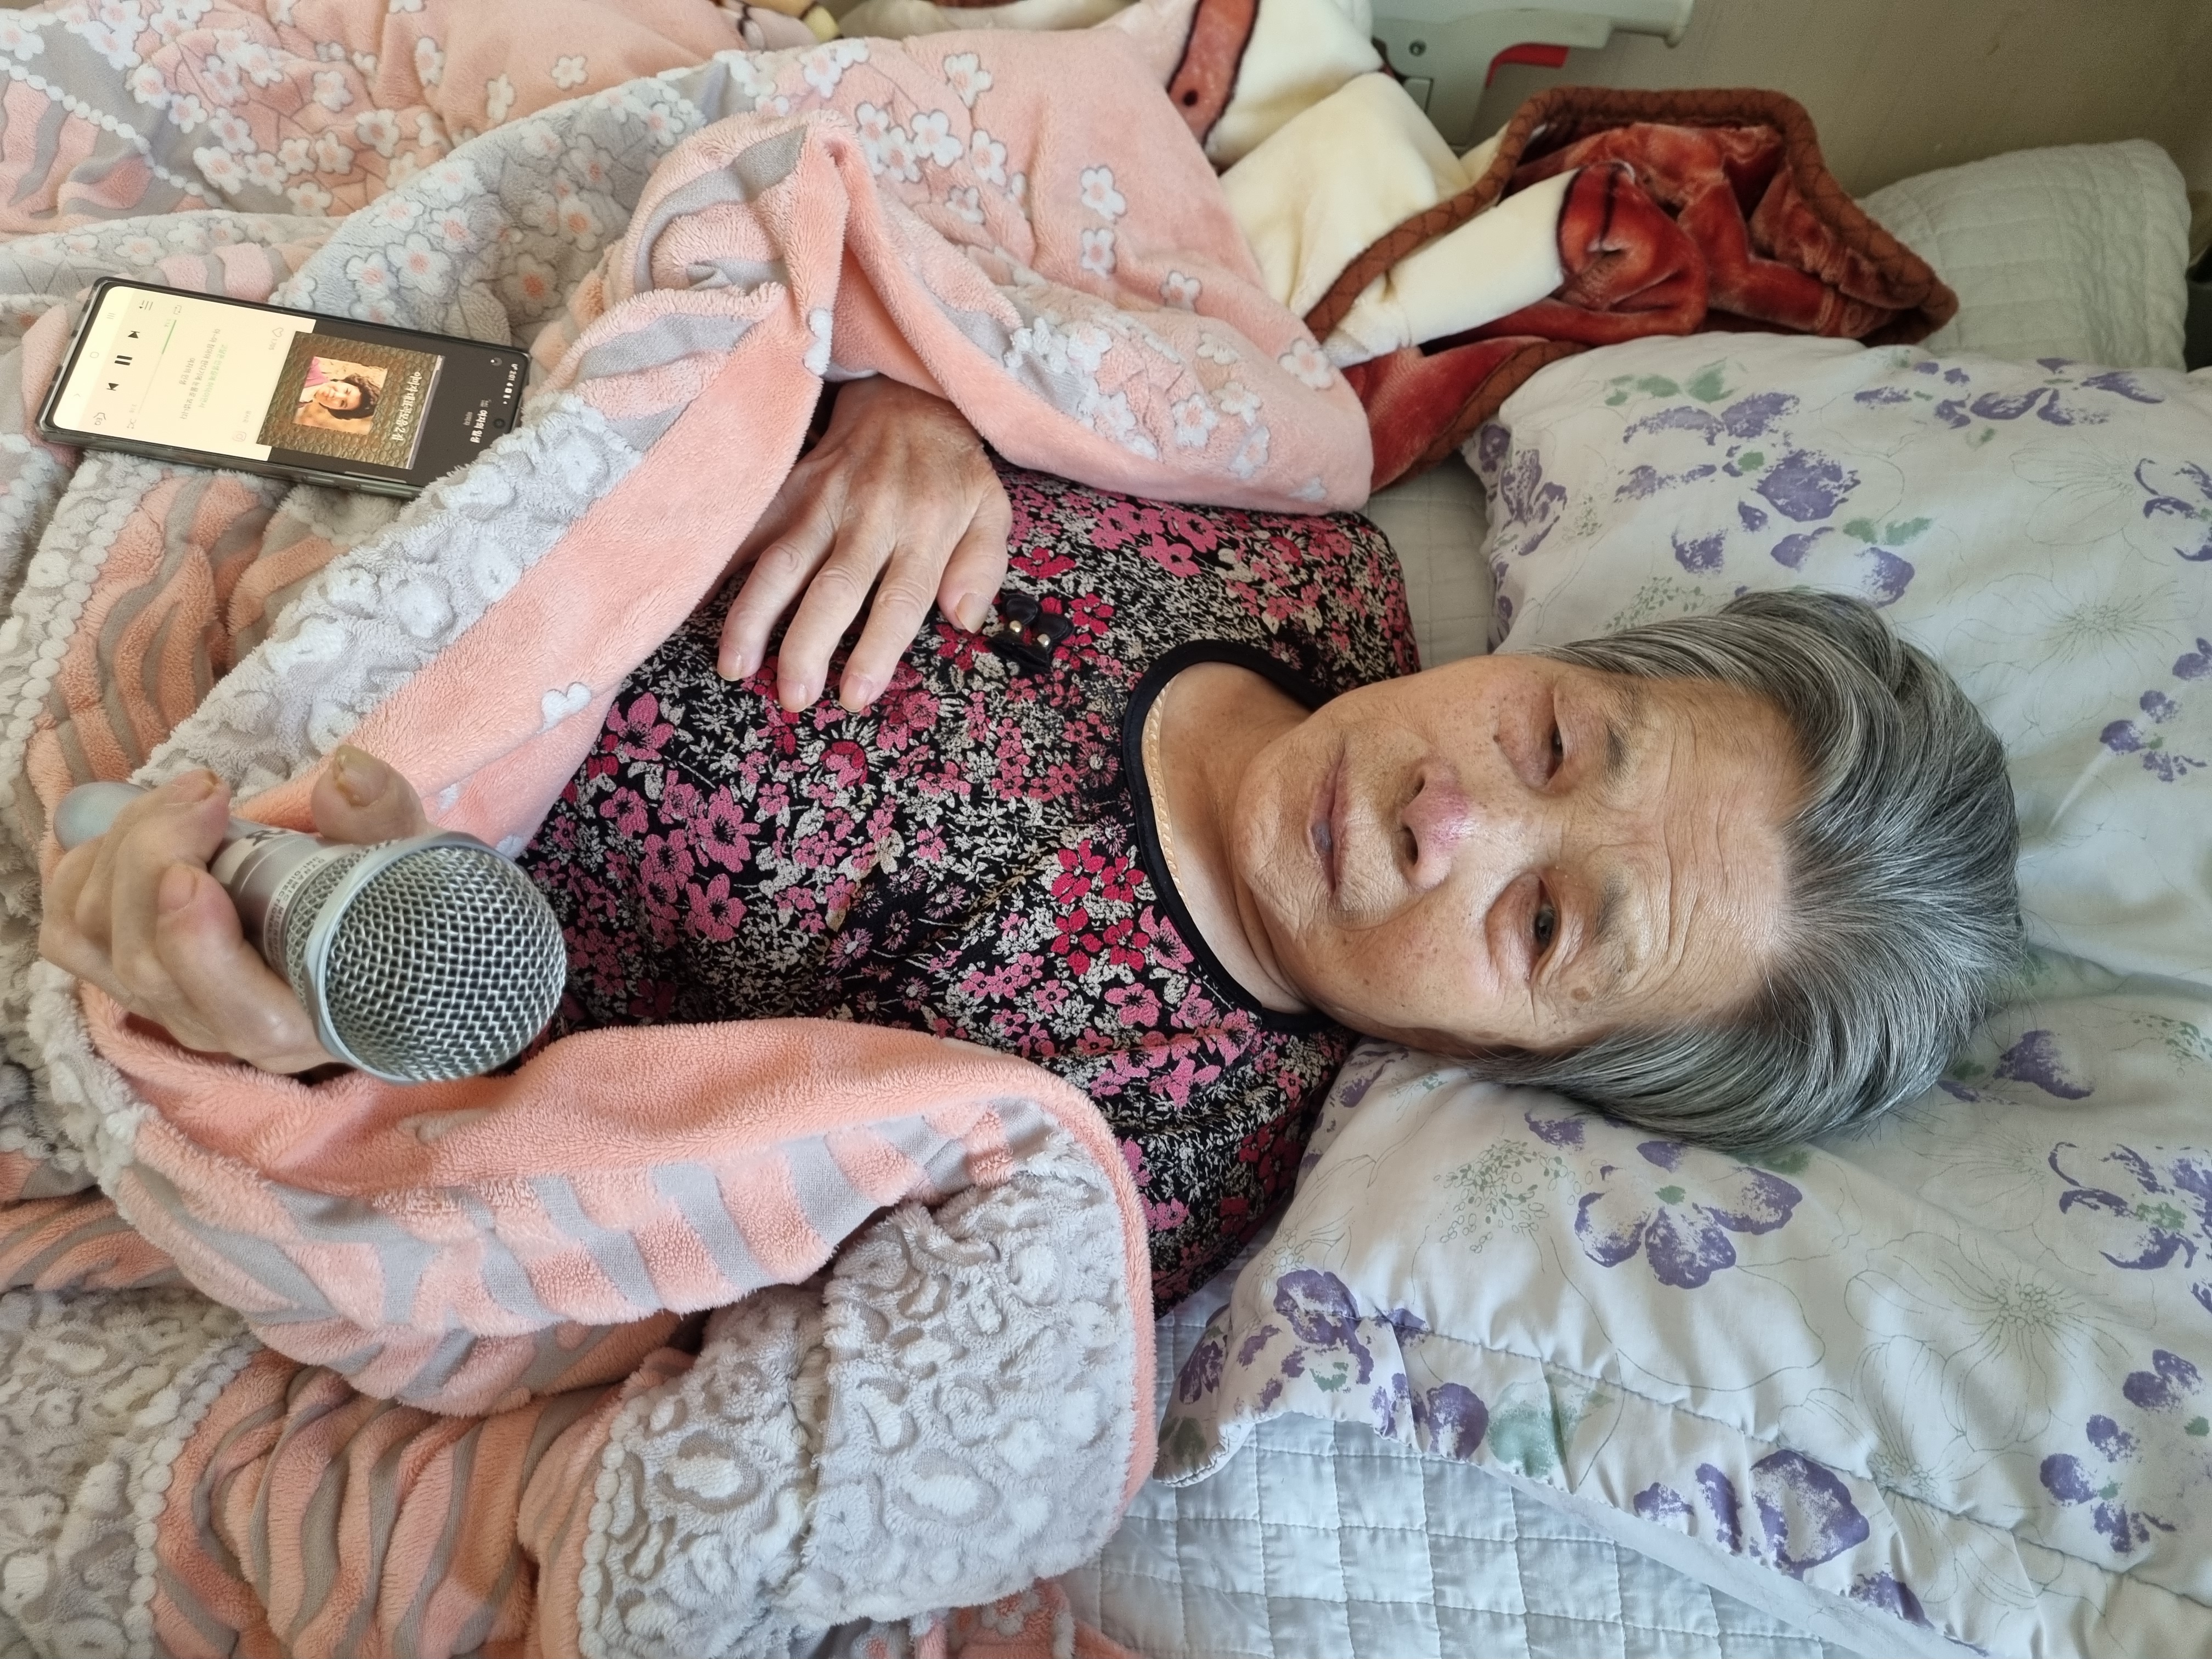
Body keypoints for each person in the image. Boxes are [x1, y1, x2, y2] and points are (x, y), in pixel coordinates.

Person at [38, 378, 2023, 1305]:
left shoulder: (1113, 1152)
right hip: (420, 420)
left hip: (297, 796)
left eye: (1546, 920)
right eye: (1558, 737)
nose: (1458, 811)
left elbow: (578, 1185)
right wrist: (896, 398)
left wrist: (302, 1016)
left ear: (1531, 1061)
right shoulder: (1297, 543)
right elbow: (985, 283)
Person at [291, 359, 382, 432]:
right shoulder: (308, 364)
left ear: (335, 410)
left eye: (342, 403)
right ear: (342, 382)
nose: (337, 395)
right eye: (347, 391)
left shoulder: (297, 405)